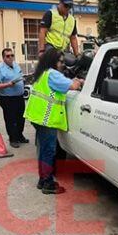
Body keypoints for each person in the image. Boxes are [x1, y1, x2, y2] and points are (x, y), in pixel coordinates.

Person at [24, 48, 83, 194]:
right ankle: (48, 184)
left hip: (37, 117)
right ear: (53, 61)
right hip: (46, 119)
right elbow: (73, 86)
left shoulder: (42, 73)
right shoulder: (53, 74)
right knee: (49, 151)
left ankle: (42, 180)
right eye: (61, 61)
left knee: (44, 151)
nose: (63, 64)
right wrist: (80, 80)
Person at [0, 48, 28, 148]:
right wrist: (8, 84)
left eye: (12, 55)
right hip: (7, 98)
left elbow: (20, 76)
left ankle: (20, 136)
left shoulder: (16, 65)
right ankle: (13, 139)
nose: (10, 57)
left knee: (21, 118)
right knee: (11, 120)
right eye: (8, 56)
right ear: (3, 57)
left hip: (19, 97)